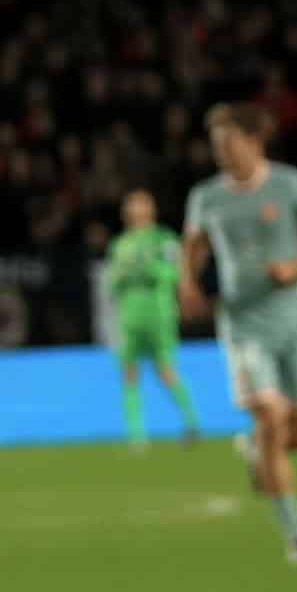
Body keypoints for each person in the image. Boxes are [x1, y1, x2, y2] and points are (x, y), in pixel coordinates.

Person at [179, 103, 297, 566]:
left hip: (295, 318)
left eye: (229, 142)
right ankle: (295, 532)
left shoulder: (293, 184)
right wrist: (188, 284)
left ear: (254, 141)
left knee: (295, 435)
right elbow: (193, 247)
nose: (221, 153)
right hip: (241, 322)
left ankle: (259, 447)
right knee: (271, 415)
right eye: (216, 145)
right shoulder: (206, 196)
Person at [103, 189, 202, 450]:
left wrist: (152, 269)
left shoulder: (164, 239)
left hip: (158, 314)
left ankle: (191, 423)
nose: (136, 210)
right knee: (128, 373)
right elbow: (110, 282)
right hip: (129, 316)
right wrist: (119, 277)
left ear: (151, 209)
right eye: (132, 205)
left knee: (165, 371)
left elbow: (176, 272)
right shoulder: (119, 244)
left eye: (141, 205)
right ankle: (136, 435)